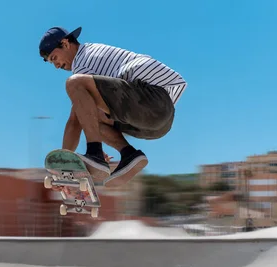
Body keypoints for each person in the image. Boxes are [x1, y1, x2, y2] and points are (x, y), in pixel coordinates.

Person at [39, 26, 187, 187]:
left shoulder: (83, 59)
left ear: (66, 44)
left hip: (153, 99)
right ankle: (129, 154)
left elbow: (74, 121)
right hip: (158, 124)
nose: (56, 66)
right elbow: (85, 116)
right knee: (91, 115)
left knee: (73, 84)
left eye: (54, 58)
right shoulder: (90, 64)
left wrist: (63, 165)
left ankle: (94, 153)